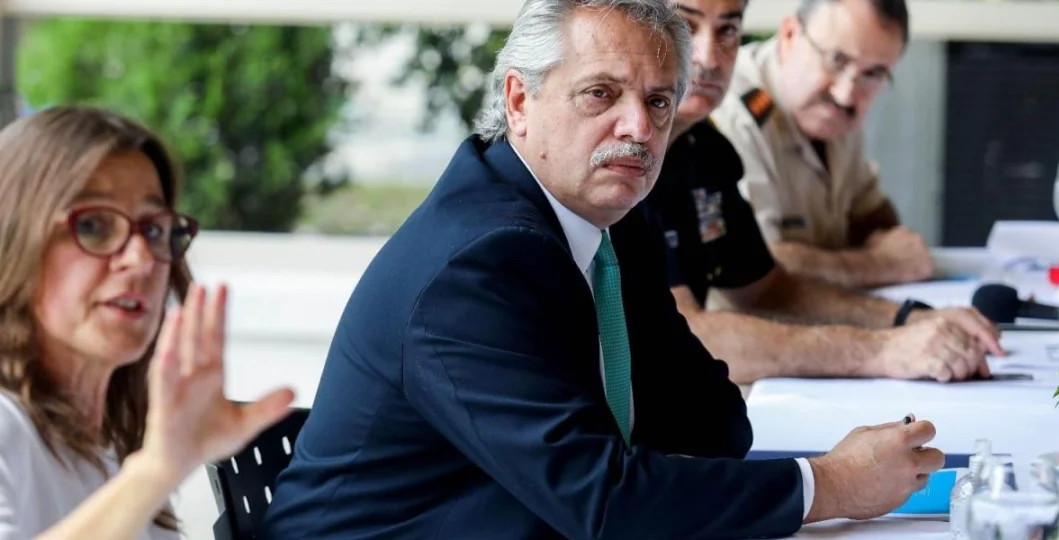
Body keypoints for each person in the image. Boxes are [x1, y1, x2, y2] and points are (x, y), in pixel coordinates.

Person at [259, 1, 944, 538]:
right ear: (519, 101)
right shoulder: (476, 265)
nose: (638, 129)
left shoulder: (608, 222)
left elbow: (714, 424)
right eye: (600, 94)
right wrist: (830, 485)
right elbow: (605, 502)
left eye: (657, 101)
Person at [645, 0, 1004, 384]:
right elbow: (677, 335)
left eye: (728, 30)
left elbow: (768, 288)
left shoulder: (700, 145)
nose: (708, 57)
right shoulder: (633, 147)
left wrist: (908, 318)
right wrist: (880, 348)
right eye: (685, 25)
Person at [0, 106, 294, 539]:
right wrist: (158, 469)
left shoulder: (108, 447)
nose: (140, 260)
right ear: (13, 239)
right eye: (94, 226)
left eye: (154, 231)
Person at [712, 0, 931, 289]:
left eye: (873, 73)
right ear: (790, 36)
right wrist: (882, 264)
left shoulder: (832, 110)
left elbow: (872, 216)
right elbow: (754, 268)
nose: (845, 94)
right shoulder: (732, 113)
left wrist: (890, 248)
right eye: (836, 60)